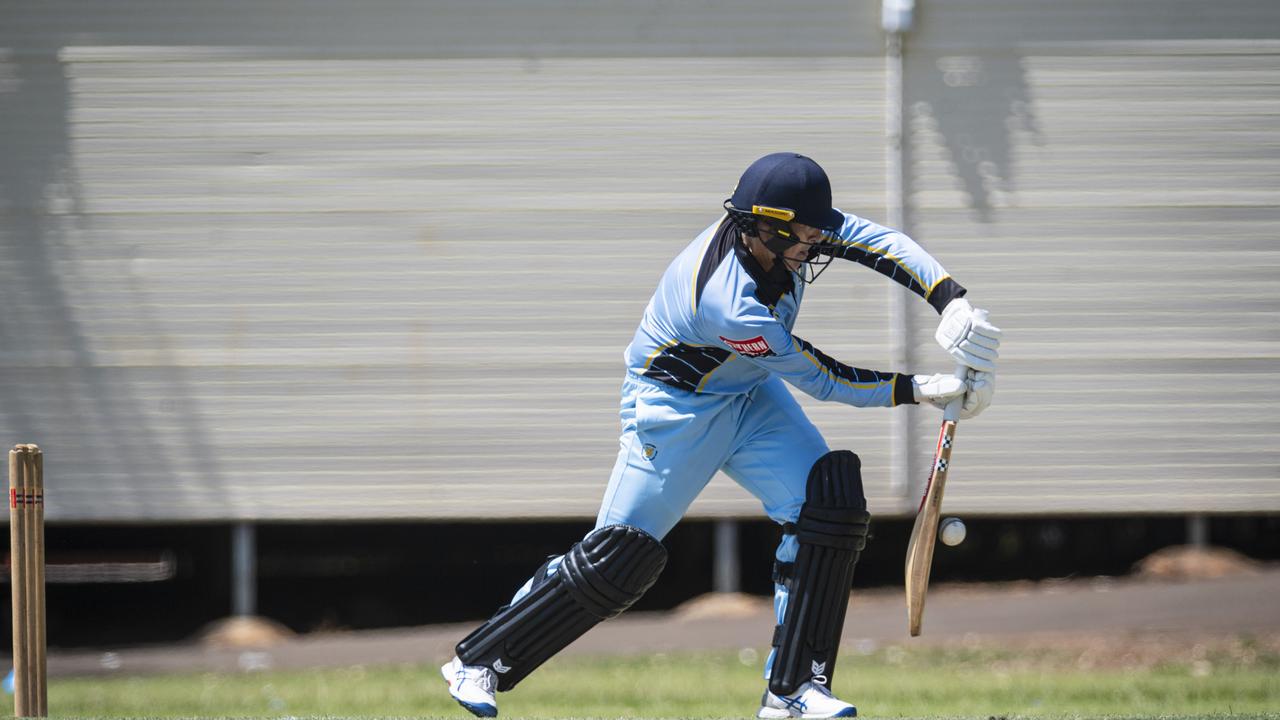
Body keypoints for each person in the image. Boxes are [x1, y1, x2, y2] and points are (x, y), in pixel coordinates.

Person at [440, 152, 1001, 719]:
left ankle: (794, 691)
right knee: (618, 559)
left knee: (827, 508)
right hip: (676, 412)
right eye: (806, 233)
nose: (819, 242)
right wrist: (918, 389)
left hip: (751, 395)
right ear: (766, 227)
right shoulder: (728, 303)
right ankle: (481, 660)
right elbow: (820, 377)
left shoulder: (785, 231)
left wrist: (949, 299)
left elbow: (880, 242)